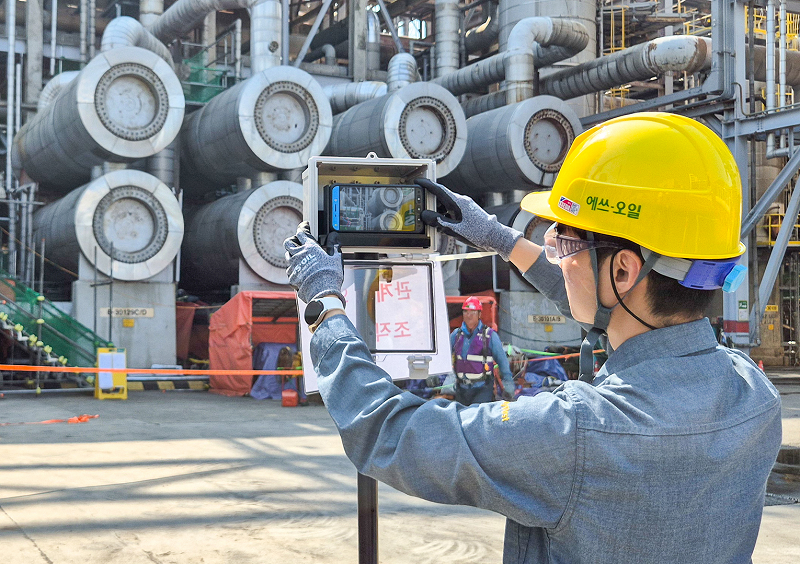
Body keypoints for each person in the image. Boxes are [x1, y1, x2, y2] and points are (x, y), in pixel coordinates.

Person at [284, 112, 782, 563]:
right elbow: (609, 305)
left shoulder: (573, 433)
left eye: (565, 241)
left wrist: (324, 307)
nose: (558, 258)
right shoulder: (756, 398)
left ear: (625, 269)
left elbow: (387, 436)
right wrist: (501, 239)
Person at [439, 296, 515, 404]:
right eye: (466, 312)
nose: (469, 315)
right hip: (461, 390)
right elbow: (442, 357)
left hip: (482, 389)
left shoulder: (490, 336)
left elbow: (503, 363)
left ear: (479, 314)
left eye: (472, 312)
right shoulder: (456, 335)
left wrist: (508, 388)